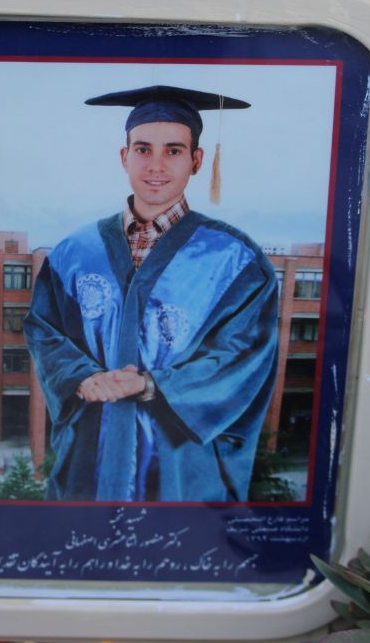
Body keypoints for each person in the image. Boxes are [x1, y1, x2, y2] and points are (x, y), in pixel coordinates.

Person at [25, 85, 279, 502]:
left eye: (173, 151)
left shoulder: (235, 260)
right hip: (91, 453)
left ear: (197, 160)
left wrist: (149, 384)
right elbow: (44, 330)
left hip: (177, 464)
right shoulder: (75, 253)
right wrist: (83, 377)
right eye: (143, 149)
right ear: (124, 157)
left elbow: (245, 354)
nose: (156, 165)